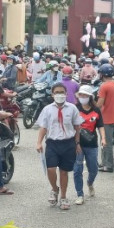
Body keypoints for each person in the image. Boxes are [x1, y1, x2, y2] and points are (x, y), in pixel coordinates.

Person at [36, 82, 84, 210]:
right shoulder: (47, 109)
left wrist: (77, 143)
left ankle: (63, 196)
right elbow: (43, 127)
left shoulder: (72, 108)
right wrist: (39, 142)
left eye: (62, 92)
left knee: (64, 172)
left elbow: (77, 127)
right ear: (52, 94)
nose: (59, 95)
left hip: (68, 143)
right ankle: (54, 189)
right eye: (56, 92)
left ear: (66, 94)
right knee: (51, 169)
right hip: (52, 143)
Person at [73, 85, 106, 205]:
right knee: (77, 170)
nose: (83, 97)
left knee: (93, 169)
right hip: (77, 144)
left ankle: (90, 183)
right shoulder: (75, 109)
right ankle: (80, 194)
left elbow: (100, 126)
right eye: (81, 94)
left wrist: (103, 138)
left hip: (91, 144)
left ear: (90, 97)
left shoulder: (96, 110)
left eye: (85, 95)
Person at [96, 64, 114, 172]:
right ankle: (104, 163)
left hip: (106, 117)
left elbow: (99, 104)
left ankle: (108, 165)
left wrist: (92, 106)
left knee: (106, 142)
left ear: (102, 74)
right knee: (107, 141)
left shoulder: (104, 86)